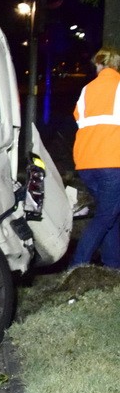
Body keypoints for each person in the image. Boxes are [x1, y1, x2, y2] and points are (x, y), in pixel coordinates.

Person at [70, 46, 120, 268]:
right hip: (112, 162)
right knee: (105, 217)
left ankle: (112, 267)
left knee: (111, 213)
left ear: (100, 65)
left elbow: (79, 118)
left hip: (86, 163)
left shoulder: (86, 90)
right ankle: (76, 267)